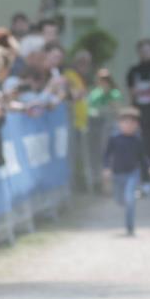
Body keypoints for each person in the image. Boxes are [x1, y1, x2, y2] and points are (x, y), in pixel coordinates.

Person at [103, 107, 150, 236]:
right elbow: (107, 155)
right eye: (125, 122)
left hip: (132, 173)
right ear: (119, 124)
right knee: (119, 200)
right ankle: (125, 208)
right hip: (117, 174)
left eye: (132, 123)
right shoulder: (114, 138)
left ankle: (130, 227)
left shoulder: (137, 140)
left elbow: (143, 157)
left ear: (136, 125)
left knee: (130, 199)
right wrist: (106, 168)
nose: (128, 125)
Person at [127, 38, 150, 195]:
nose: (146, 53)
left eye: (149, 50)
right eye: (143, 50)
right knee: (142, 148)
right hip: (140, 115)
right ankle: (144, 181)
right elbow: (131, 94)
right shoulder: (133, 71)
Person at [87, 68, 125, 191]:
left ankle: (111, 184)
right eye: (101, 79)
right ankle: (97, 182)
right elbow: (90, 109)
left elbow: (118, 110)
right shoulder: (94, 93)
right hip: (95, 129)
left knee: (110, 156)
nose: (104, 82)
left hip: (110, 129)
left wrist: (108, 95)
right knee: (97, 155)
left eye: (106, 79)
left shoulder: (114, 93)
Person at [64, 49, 93, 193]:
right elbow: (72, 95)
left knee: (80, 157)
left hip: (81, 122)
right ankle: (74, 186)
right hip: (72, 122)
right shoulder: (70, 75)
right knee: (74, 157)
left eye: (87, 62)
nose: (85, 65)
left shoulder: (81, 77)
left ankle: (79, 185)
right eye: (81, 62)